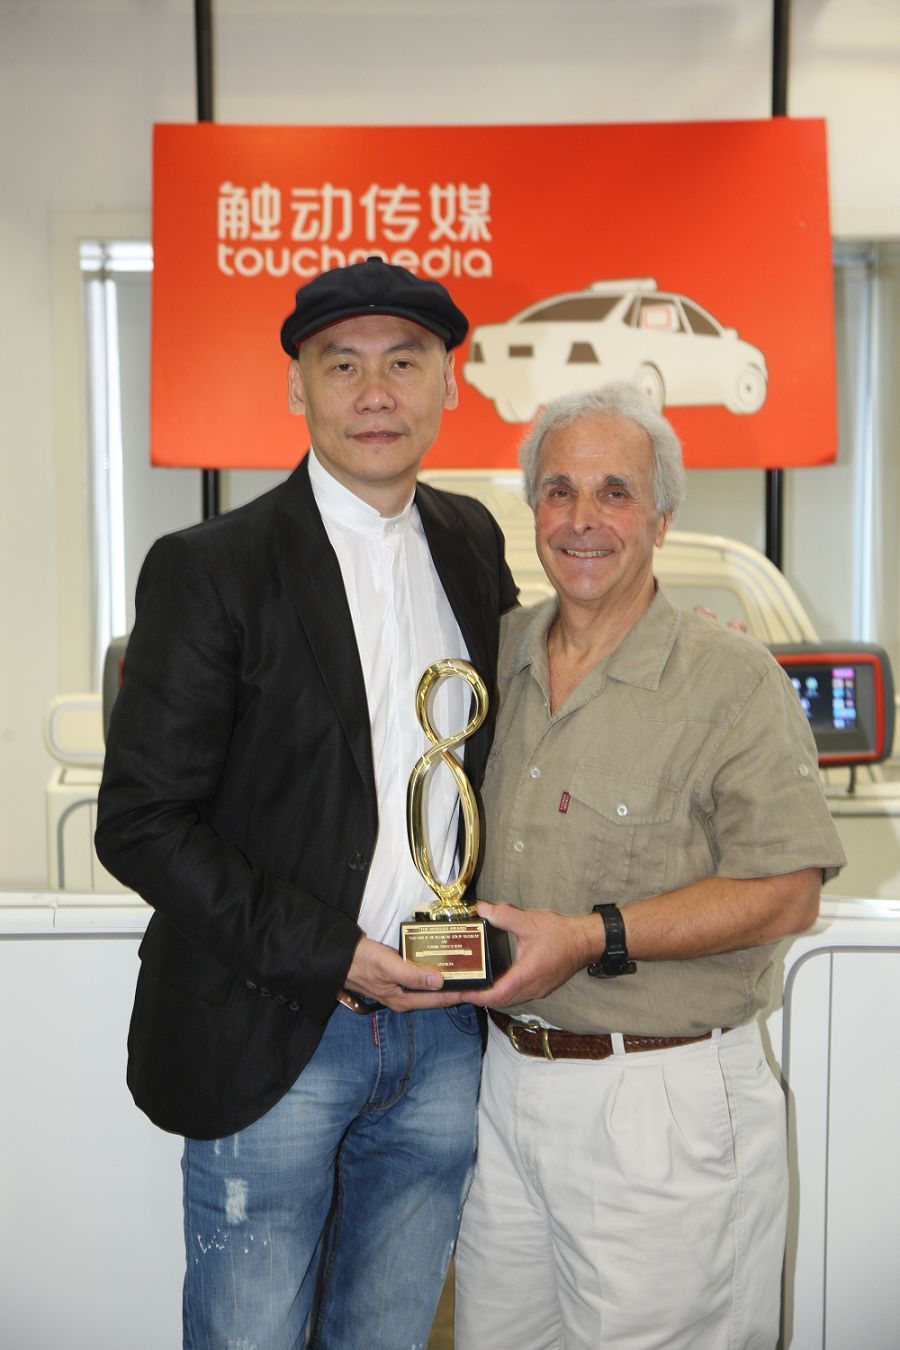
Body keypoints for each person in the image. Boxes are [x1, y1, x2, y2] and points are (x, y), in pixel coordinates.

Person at [94, 256, 518, 1350]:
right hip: (275, 1028)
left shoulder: (472, 542)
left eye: (405, 363)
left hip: (442, 1033)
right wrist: (332, 954)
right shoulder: (211, 566)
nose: (376, 393)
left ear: (449, 383)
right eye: (342, 365)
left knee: (387, 1334)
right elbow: (140, 821)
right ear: (297, 387)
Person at [452, 381, 846, 1350]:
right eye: (559, 490)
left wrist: (593, 937)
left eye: (615, 493)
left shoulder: (731, 680)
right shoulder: (493, 658)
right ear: (533, 509)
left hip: (659, 1105)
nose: (582, 519)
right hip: (504, 1085)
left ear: (662, 518)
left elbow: (787, 891)